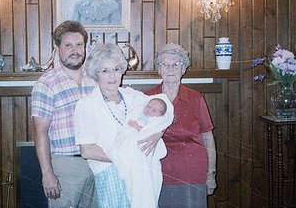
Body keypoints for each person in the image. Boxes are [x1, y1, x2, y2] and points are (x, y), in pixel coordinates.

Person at [74, 43, 165, 208]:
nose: (112, 76)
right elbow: (87, 150)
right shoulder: (87, 104)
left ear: (122, 70)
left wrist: (158, 133)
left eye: (116, 69)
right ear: (96, 74)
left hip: (141, 173)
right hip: (110, 172)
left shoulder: (132, 96)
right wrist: (127, 158)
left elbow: (166, 111)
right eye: (105, 71)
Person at [31, 20, 98, 208]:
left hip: (97, 163)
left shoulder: (96, 79)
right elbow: (40, 131)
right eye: (68, 45)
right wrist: (47, 173)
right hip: (65, 166)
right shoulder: (46, 84)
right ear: (57, 48)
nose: (75, 50)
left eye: (79, 45)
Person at [146, 43, 217, 208]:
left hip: (191, 174)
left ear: (183, 69)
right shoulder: (147, 98)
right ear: (159, 69)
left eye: (176, 64)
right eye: (165, 64)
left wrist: (211, 174)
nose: (170, 69)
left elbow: (208, 139)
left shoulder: (195, 98)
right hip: (157, 174)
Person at [108, 94, 174, 208]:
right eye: (148, 106)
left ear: (160, 115)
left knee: (144, 182)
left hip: (144, 149)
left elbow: (150, 130)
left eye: (154, 110)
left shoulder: (156, 120)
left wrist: (138, 127)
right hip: (130, 142)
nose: (149, 110)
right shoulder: (139, 114)